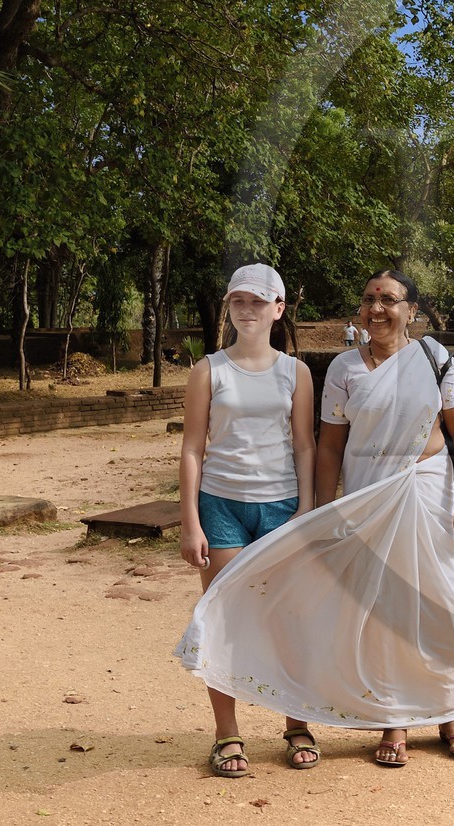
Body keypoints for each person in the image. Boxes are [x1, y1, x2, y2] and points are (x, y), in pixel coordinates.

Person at [175, 268, 454, 769]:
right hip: (362, 499)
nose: (377, 309)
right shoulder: (343, 368)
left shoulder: (435, 359)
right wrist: (320, 511)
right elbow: (328, 447)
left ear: (412, 310)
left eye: (389, 299)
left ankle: (450, 711)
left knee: (440, 601)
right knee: (379, 609)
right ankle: (392, 718)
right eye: (368, 299)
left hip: (426, 493)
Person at [176, 263, 319, 778]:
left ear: (279, 309)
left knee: (288, 618)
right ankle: (227, 733)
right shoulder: (208, 369)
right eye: (239, 301)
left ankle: (296, 724)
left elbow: (304, 444)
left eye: (259, 302)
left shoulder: (295, 372)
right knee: (224, 617)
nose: (248, 310)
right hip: (222, 505)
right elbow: (193, 448)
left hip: (281, 505)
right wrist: (190, 521)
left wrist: (306, 509)